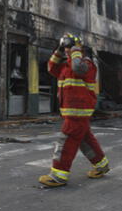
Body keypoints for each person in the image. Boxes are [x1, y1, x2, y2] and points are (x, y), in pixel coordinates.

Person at [38, 34, 110, 188]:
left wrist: (75, 48)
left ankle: (58, 175)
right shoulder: (65, 67)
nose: (67, 51)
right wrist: (58, 50)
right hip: (74, 113)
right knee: (86, 140)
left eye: (69, 48)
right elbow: (51, 68)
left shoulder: (87, 64)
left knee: (66, 142)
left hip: (77, 112)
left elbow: (78, 68)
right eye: (66, 48)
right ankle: (101, 165)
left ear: (79, 49)